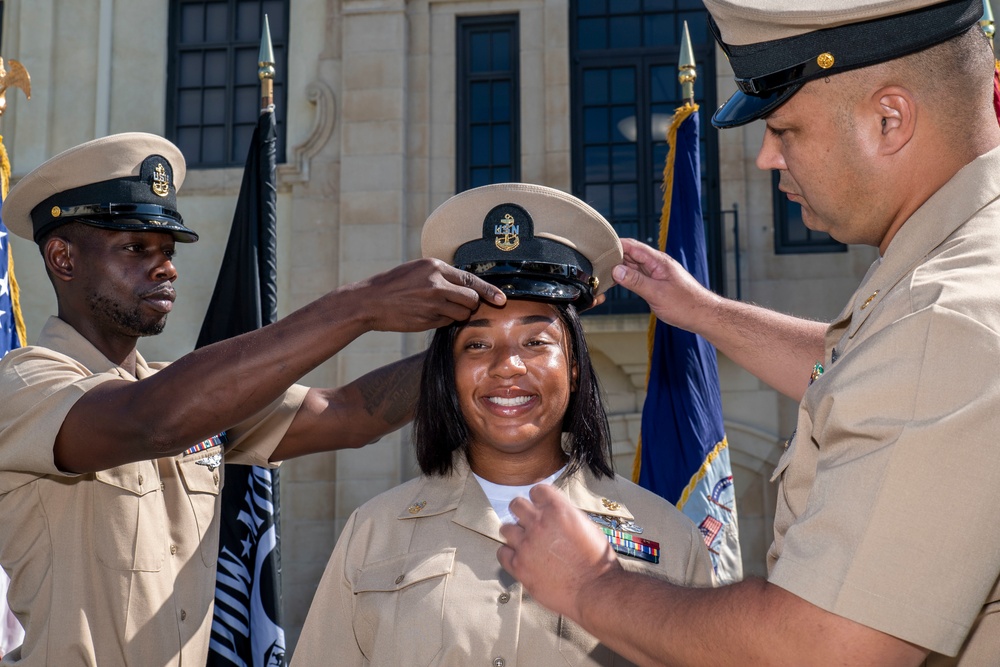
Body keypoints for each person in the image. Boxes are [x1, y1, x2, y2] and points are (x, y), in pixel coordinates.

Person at [497, 1, 1000, 665]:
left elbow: (820, 648)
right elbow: (863, 372)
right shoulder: (964, 274)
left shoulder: (944, 316)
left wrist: (591, 584)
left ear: (889, 119)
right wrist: (700, 309)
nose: (767, 157)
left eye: (786, 129)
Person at [0, 132, 506, 667]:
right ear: (62, 258)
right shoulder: (24, 384)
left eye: (169, 252)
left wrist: (490, 337)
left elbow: (350, 414)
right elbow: (151, 422)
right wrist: (358, 306)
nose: (166, 267)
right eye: (135, 248)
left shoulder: (184, 394)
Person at [291, 183, 714, 666]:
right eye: (476, 345)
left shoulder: (668, 537)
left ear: (574, 366)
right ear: (447, 372)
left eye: (536, 342)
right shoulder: (372, 532)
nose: (507, 365)